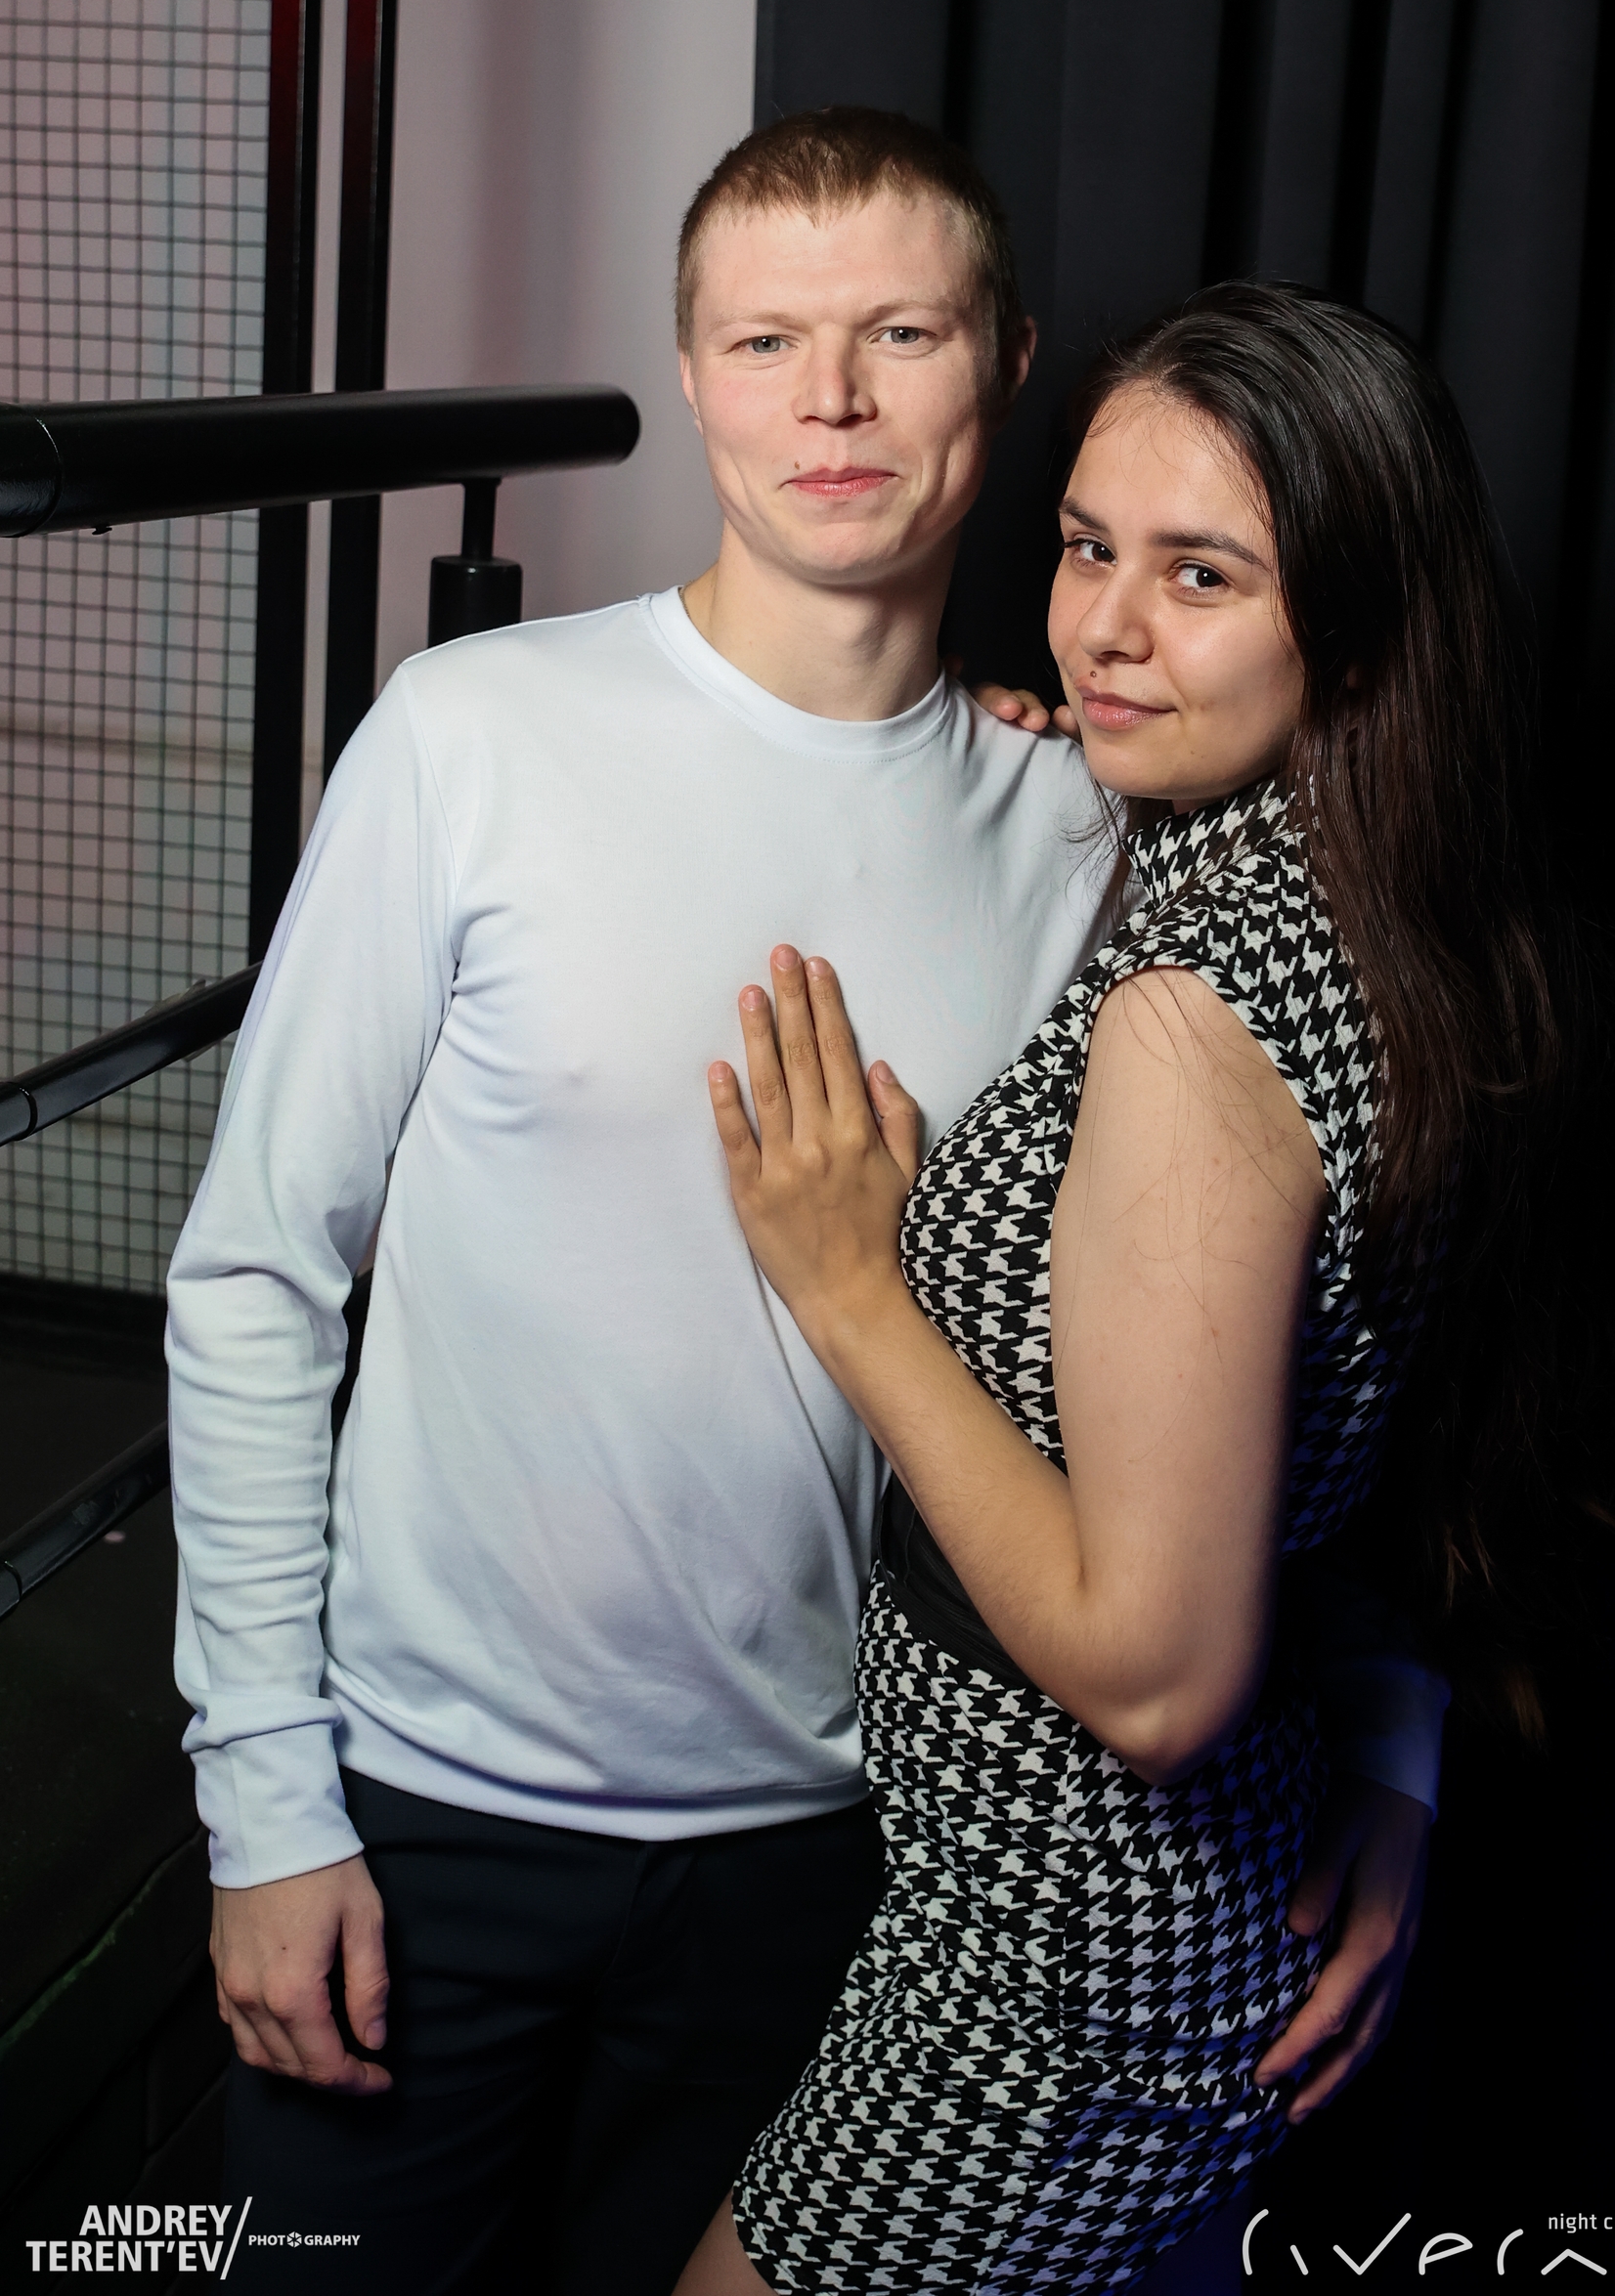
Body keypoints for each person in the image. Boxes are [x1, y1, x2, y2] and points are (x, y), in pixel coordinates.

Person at [167, 118, 1441, 2293]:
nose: (829, 400)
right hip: (421, 1815)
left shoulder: (1096, 818)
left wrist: (1395, 1748)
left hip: (841, 1848)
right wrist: (266, 1799)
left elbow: (1306, 1334)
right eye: (765, 340)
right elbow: (256, 1275)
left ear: (1002, 366)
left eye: (898, 335)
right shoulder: (468, 737)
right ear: (691, 374)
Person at [674, 280, 1593, 2294]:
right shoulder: (1360, 895)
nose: (1099, 626)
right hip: (1130, 1929)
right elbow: (1323, 1447)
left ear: (1355, 627)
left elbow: (1157, 1679)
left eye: (1199, 575)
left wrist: (850, 1286)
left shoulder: (1201, 1015)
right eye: (1089, 547)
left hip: (1059, 1974)